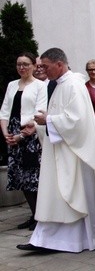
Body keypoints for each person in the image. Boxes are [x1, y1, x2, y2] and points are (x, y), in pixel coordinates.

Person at [17, 47, 95, 253]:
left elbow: (77, 121)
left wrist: (49, 120)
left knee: (69, 195)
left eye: (45, 66)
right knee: (55, 195)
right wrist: (38, 125)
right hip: (60, 149)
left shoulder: (73, 85)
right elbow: (61, 115)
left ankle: (65, 240)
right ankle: (46, 238)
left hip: (73, 154)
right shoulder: (59, 85)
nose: (42, 70)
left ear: (59, 64)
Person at [1, 52, 46, 231]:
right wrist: (6, 134)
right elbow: (4, 111)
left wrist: (22, 135)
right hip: (13, 135)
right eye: (19, 64)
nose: (22, 67)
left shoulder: (40, 86)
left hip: (30, 136)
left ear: (34, 66)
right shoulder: (12, 85)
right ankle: (33, 214)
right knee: (20, 177)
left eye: (26, 64)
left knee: (32, 177)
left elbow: (40, 111)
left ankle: (40, 216)